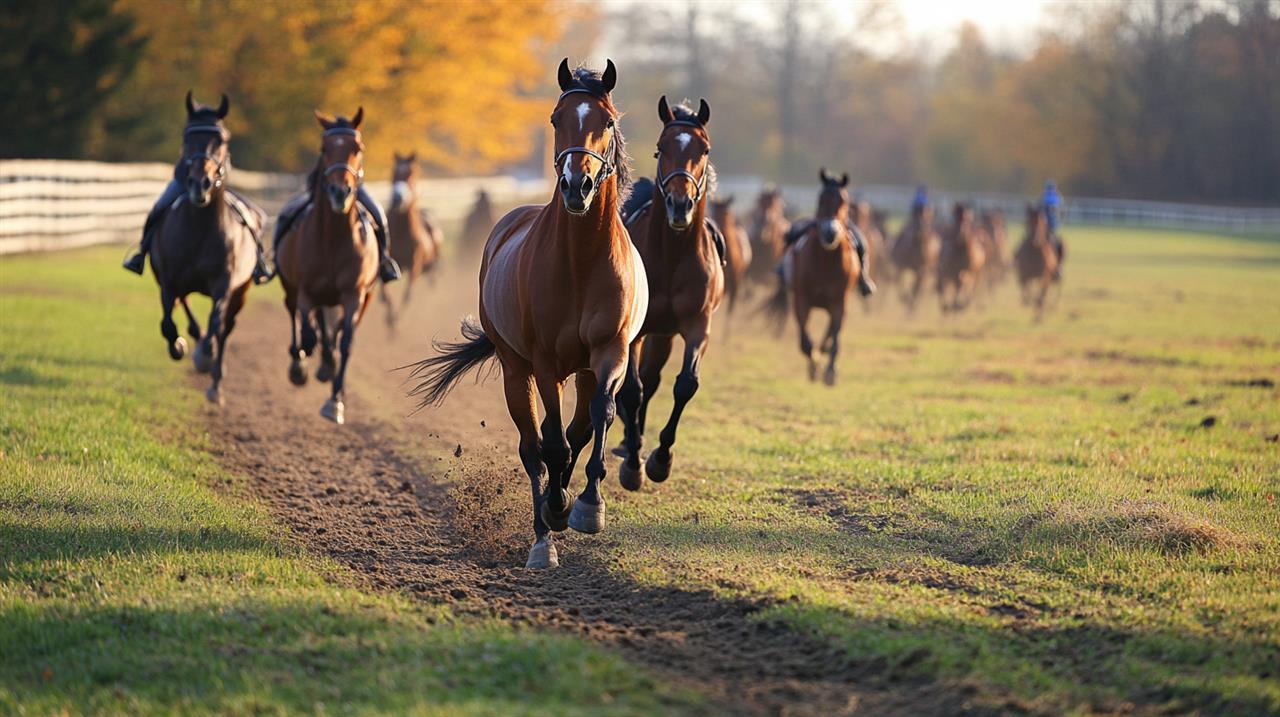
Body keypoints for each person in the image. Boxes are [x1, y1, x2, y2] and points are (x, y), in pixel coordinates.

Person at [122, 123, 272, 283]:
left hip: (216, 188)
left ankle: (258, 261)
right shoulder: (192, 135)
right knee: (158, 209)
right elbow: (180, 164)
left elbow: (226, 166)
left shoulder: (218, 137)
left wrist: (218, 177)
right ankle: (141, 254)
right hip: (183, 184)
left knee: (257, 215)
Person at [273, 183, 402, 283]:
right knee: (287, 213)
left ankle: (384, 259)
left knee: (379, 215)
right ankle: (275, 259)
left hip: (353, 186)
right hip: (323, 186)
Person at [1040, 179, 1064, 278]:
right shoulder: (1057, 198)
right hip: (1051, 227)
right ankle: (1058, 267)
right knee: (1058, 246)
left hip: (1041, 228)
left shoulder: (1043, 197)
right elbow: (1061, 213)